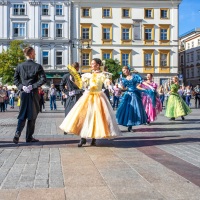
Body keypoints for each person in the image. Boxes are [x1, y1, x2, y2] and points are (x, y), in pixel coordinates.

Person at [59, 58, 120, 147]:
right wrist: (75, 80)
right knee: (84, 116)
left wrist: (109, 86)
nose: (91, 65)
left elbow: (106, 81)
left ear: (98, 65)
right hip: (88, 96)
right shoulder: (88, 75)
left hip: (98, 97)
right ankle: (83, 138)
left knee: (96, 118)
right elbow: (82, 84)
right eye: (91, 63)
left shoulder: (103, 75)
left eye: (93, 64)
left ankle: (93, 139)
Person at [13, 46, 46, 144]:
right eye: (34, 53)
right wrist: (33, 86)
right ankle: (29, 137)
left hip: (23, 93)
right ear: (31, 53)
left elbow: (15, 79)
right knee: (32, 115)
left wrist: (22, 87)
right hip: (33, 93)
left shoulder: (20, 66)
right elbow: (43, 79)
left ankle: (17, 134)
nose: (35, 54)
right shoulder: (37, 66)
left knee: (22, 114)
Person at [116, 66, 149, 132]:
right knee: (127, 110)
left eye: (124, 70)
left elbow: (141, 82)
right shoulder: (123, 79)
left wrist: (149, 86)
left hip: (135, 95)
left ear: (128, 70)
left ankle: (130, 125)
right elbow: (124, 89)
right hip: (128, 95)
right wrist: (121, 87)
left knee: (135, 109)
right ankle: (129, 124)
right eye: (123, 71)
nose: (124, 72)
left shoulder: (135, 76)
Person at [59, 62, 83, 134]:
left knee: (77, 113)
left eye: (76, 68)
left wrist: (77, 91)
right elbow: (61, 86)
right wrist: (67, 92)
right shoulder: (66, 76)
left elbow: (83, 87)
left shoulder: (80, 76)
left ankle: (76, 128)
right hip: (71, 96)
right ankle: (66, 128)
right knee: (69, 112)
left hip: (78, 96)